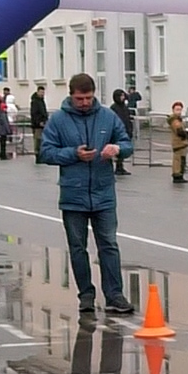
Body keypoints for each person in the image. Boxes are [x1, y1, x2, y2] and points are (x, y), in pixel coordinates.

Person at [41, 74, 133, 314]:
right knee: (77, 247)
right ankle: (86, 295)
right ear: (71, 95)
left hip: (104, 193)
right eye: (80, 98)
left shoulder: (107, 116)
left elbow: (127, 143)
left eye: (88, 98)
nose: (84, 103)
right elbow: (46, 152)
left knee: (109, 245)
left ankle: (114, 295)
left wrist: (117, 148)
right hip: (73, 196)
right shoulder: (59, 119)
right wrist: (74, 153)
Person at [109, 89, 133, 176]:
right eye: (121, 96)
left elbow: (127, 118)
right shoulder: (114, 108)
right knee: (117, 148)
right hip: (117, 131)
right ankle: (118, 167)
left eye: (123, 95)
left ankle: (120, 166)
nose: (123, 97)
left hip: (126, 129)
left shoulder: (124, 107)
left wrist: (130, 129)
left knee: (123, 148)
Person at [166, 100, 188, 184]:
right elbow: (179, 131)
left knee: (180, 159)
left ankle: (179, 174)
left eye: (180, 109)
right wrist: (186, 133)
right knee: (178, 160)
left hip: (180, 143)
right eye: (177, 109)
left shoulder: (177, 120)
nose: (179, 111)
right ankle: (177, 175)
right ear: (173, 110)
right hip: (178, 143)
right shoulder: (175, 120)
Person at [28, 84, 48, 163]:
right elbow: (34, 113)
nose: (42, 94)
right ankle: (38, 157)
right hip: (37, 125)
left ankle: (41, 155)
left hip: (43, 124)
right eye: (41, 92)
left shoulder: (41, 101)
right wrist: (39, 122)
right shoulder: (35, 101)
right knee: (38, 141)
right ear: (38, 92)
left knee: (42, 140)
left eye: (43, 92)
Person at [0, 91, 14, 159]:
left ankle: (2, 154)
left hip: (1, 130)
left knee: (2, 143)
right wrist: (8, 130)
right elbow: (5, 123)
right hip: (4, 131)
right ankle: (3, 155)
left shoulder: (0, 113)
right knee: (3, 143)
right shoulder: (3, 114)